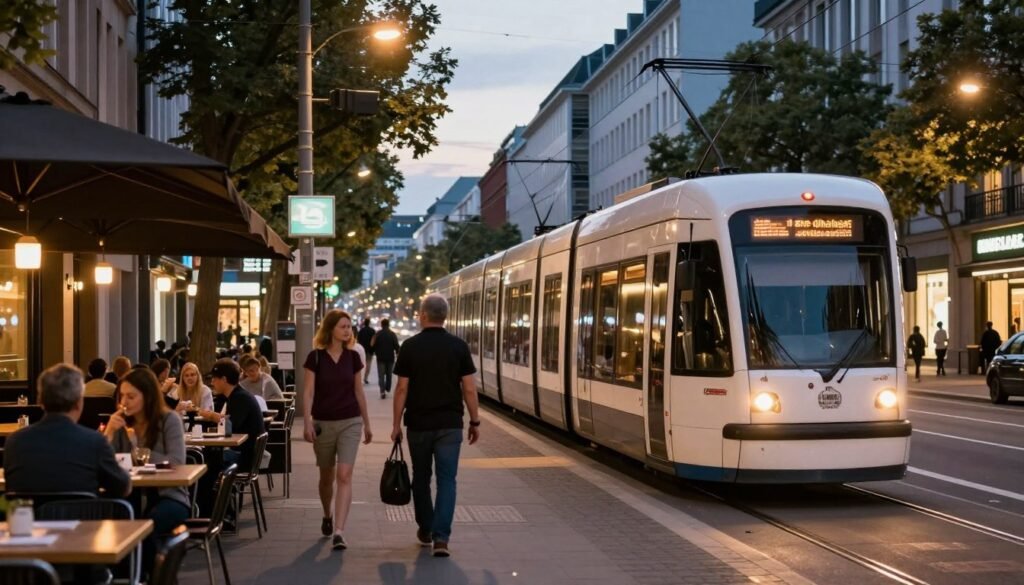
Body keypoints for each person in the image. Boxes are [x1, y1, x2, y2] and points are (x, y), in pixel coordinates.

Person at [391, 294, 480, 558]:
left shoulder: (409, 346)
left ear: (422, 315)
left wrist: (396, 424)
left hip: (418, 424)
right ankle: (442, 538)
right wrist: (475, 421)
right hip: (450, 425)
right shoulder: (459, 347)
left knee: (421, 478)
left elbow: (401, 389)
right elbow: (469, 388)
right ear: (445, 317)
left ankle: (426, 529)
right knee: (447, 480)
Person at [104, 368, 189, 575]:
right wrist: (108, 433)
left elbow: (177, 462)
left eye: (131, 396)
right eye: (122, 396)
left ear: (148, 396)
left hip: (169, 496)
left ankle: (151, 577)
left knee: (148, 528)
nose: (125, 401)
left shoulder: (169, 420)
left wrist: (141, 453)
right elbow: (106, 462)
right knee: (110, 528)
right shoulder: (121, 424)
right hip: (130, 495)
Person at [3, 363, 131, 497]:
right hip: (82, 516)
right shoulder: (94, 442)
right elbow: (123, 487)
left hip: (30, 517)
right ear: (79, 403)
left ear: (40, 401)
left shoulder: (15, 442)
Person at [302, 309, 372, 550]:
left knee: (344, 475)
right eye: (343, 326)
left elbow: (359, 392)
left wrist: (367, 423)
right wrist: (307, 423)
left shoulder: (353, 358)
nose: (347, 330)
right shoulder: (315, 358)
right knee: (326, 477)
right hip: (323, 423)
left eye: (349, 327)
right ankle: (327, 515)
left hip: (350, 421)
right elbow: (309, 392)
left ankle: (340, 531)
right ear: (330, 329)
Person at [199, 359, 266, 471]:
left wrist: (211, 416)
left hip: (244, 457)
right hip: (245, 453)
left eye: (214, 379)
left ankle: (212, 488)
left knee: (202, 460)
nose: (212, 383)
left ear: (224, 379)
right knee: (206, 455)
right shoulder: (237, 395)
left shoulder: (240, 398)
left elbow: (230, 427)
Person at [372, 318, 400, 399]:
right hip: (390, 358)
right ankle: (387, 387)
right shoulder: (392, 334)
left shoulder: (378, 334)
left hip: (380, 358)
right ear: (388, 325)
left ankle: (382, 391)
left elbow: (373, 345)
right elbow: (396, 345)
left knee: (381, 376)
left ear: (381, 325)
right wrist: (398, 353)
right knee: (389, 374)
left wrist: (374, 351)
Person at [357, 317, 376, 384]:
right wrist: (373, 349)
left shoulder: (361, 330)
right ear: (369, 323)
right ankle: (365, 378)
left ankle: (362, 378)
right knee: (368, 364)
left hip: (362, 350)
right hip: (370, 351)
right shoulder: (372, 330)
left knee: (362, 364)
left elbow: (358, 340)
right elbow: (374, 340)